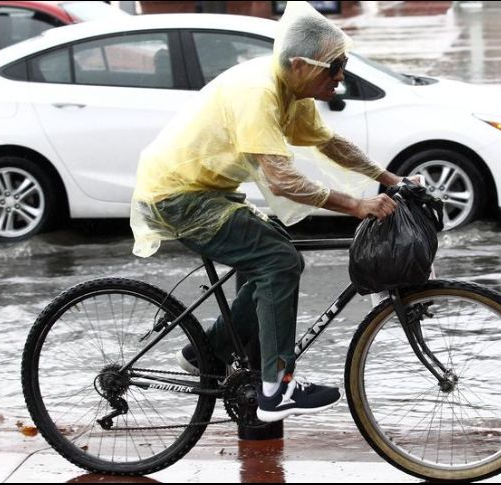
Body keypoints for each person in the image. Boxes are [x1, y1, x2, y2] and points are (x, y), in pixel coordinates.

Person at [129, 1, 404, 422]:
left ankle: (208, 351)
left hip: (209, 192)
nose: (340, 77)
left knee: (271, 247)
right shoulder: (259, 94)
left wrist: (391, 180)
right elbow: (283, 182)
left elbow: (331, 144)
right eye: (333, 67)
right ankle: (276, 390)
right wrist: (356, 204)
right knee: (279, 261)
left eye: (343, 65)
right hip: (179, 197)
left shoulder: (291, 90)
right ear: (298, 63)